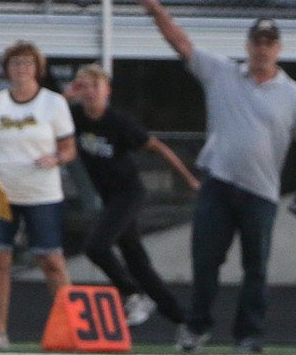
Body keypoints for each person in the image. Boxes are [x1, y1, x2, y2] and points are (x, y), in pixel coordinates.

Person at [130, 0, 296, 354]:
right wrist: (154, 10)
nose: (262, 49)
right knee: (205, 260)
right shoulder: (223, 74)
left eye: (269, 43)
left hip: (261, 191)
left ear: (279, 49)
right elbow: (181, 43)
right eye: (257, 42)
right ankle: (197, 327)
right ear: (248, 45)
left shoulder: (293, 94)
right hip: (219, 183)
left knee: (255, 266)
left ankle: (249, 334)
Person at [63, 63, 199, 331]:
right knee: (137, 262)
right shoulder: (74, 116)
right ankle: (183, 319)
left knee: (96, 246)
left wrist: (190, 179)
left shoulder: (118, 122)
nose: (90, 92)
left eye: (95, 86)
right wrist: (65, 97)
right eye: (84, 86)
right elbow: (45, 118)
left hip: (129, 193)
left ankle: (134, 295)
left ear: (107, 91)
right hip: (110, 198)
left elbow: (158, 147)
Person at [0, 41, 75, 350]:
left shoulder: (53, 103)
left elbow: (69, 148)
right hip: (1, 194)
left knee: (51, 260)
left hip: (42, 193)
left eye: (27, 63)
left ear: (37, 68)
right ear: (7, 69)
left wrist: (56, 158)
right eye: (16, 64)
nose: (21, 69)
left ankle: (69, 327)